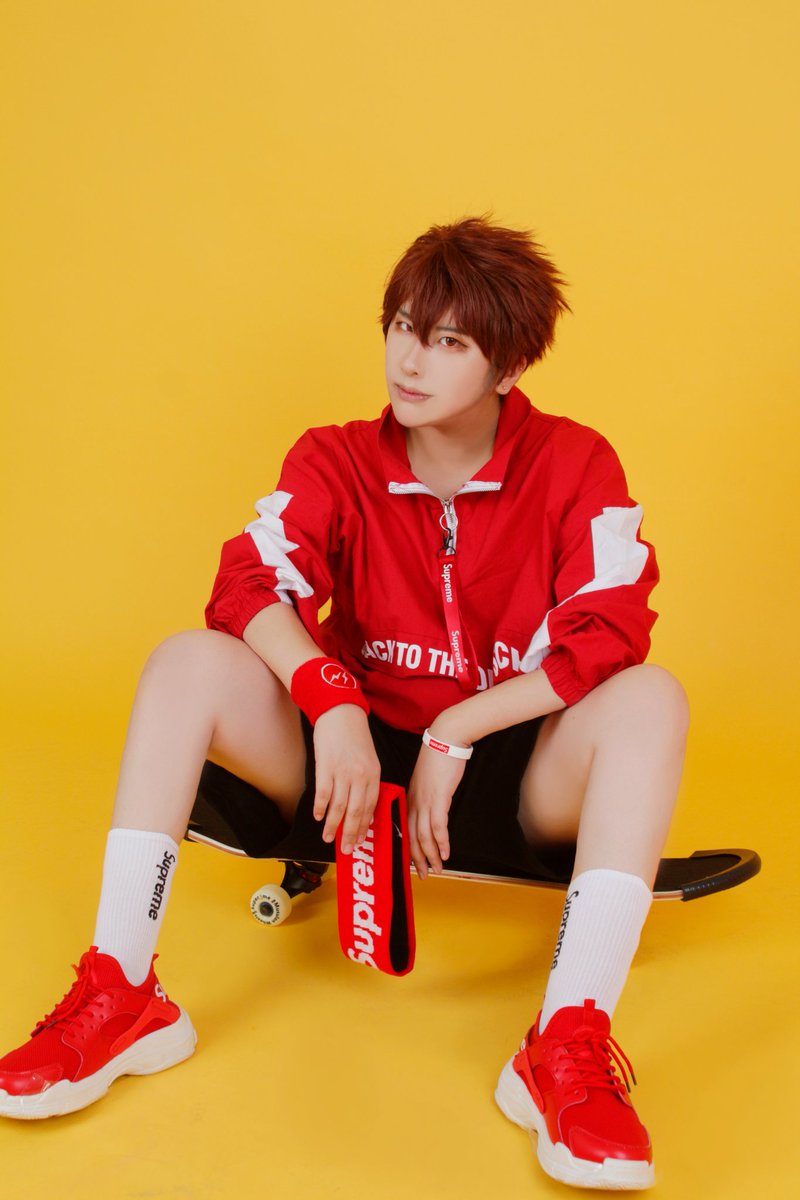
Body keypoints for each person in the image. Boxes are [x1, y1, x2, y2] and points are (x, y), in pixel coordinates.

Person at [0, 217, 688, 1191]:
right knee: (186, 662)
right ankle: (124, 992)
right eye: (401, 326)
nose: (409, 360)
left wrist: (459, 726)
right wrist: (330, 702)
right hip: (348, 773)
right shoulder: (335, 458)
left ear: (507, 365)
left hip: (514, 767)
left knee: (650, 698)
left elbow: (612, 625)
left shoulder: (574, 463)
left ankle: (565, 1042)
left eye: (447, 340)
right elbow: (247, 584)